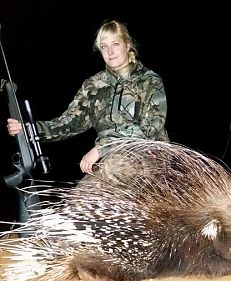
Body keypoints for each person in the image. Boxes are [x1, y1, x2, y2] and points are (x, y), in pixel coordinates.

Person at [6, 20, 169, 178]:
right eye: (104, 47)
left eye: (115, 44)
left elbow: (150, 129)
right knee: (79, 198)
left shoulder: (150, 81)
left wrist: (101, 148)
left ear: (128, 45)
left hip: (150, 159)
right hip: (110, 162)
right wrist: (29, 129)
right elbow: (69, 123)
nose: (110, 52)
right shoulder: (93, 85)